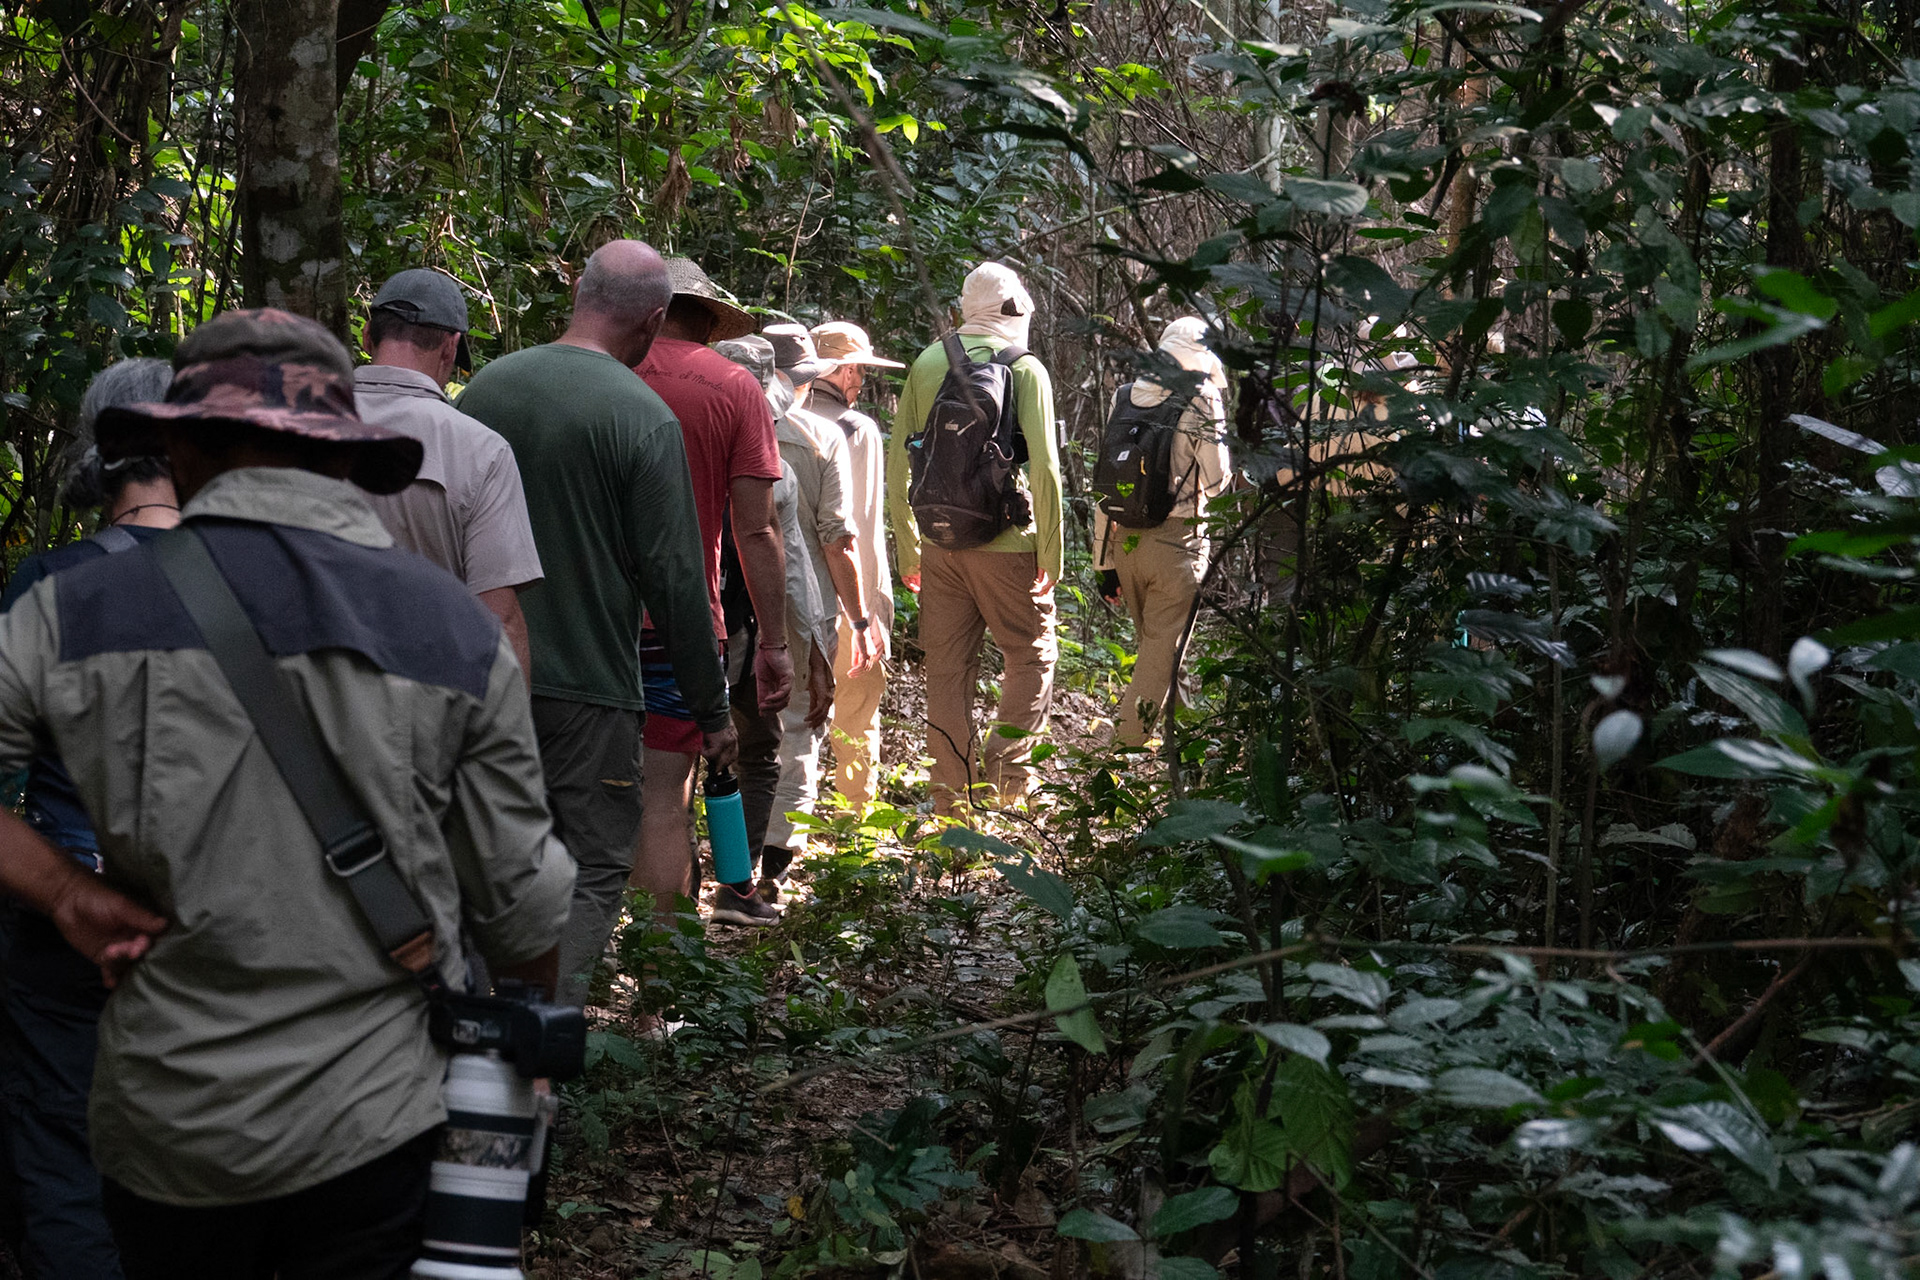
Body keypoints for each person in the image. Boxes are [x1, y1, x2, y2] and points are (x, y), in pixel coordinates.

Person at [0, 309, 575, 1278]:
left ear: (176, 446)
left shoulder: (76, 610)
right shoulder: (450, 625)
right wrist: (525, 1058)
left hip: (166, 1123)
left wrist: (61, 889)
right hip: (373, 1122)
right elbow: (521, 904)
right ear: (346, 456)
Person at [456, 240, 737, 1006]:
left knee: (487, 860)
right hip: (589, 691)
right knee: (587, 863)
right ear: (652, 321)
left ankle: (468, 1027)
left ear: (578, 294)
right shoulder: (640, 417)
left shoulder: (486, 388)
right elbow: (677, 581)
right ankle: (532, 1038)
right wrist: (711, 711)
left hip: (475, 677)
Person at [0, 359, 177, 1280]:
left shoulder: (50, 587)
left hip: (70, 915)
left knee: (64, 1154)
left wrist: (63, 891)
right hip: (225, 931)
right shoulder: (277, 587)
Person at [629, 259, 790, 929]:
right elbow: (757, 529)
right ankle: (656, 994)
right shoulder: (731, 385)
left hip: (578, 619)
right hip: (680, 626)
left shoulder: (602, 374)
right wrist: (774, 644)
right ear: (708, 319)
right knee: (665, 799)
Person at [887, 263, 1062, 814]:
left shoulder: (929, 360)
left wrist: (909, 548)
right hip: (1009, 545)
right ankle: (1010, 780)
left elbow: (901, 463)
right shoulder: (1025, 368)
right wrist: (1052, 554)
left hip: (940, 545)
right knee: (1031, 657)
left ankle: (950, 799)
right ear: (1016, 308)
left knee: (947, 670)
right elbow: (1047, 471)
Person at [354, 267, 543, 681]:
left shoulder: (294, 428)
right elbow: (501, 620)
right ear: (450, 347)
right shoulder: (480, 450)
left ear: (368, 336)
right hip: (425, 705)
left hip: (303, 708)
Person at [714, 336, 837, 921]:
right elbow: (789, 570)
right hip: (740, 631)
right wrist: (797, 650)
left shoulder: (670, 445)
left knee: (671, 757)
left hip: (664, 627)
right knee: (756, 753)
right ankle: (735, 888)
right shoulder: (775, 470)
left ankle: (664, 887)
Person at [759, 324, 871, 900]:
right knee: (800, 729)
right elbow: (837, 538)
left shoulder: (707, 423)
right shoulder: (822, 436)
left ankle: (722, 862)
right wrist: (860, 618)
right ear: (805, 378)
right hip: (806, 606)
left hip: (727, 602)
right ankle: (771, 873)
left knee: (728, 729)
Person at [1093, 317, 1233, 746]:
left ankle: (1187, 748)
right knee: (1157, 662)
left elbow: (1106, 481)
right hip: (1178, 545)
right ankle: (1115, 759)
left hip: (1127, 542)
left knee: (1164, 655)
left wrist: (1105, 562)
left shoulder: (1126, 396)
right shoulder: (1202, 396)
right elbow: (1216, 482)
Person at [808, 321, 901, 814]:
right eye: (859, 369)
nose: (862, 380)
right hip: (849, 590)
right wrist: (871, 613)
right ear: (842, 371)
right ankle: (855, 816)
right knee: (857, 708)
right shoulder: (858, 429)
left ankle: (784, 824)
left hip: (789, 591)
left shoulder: (779, 420)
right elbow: (860, 524)